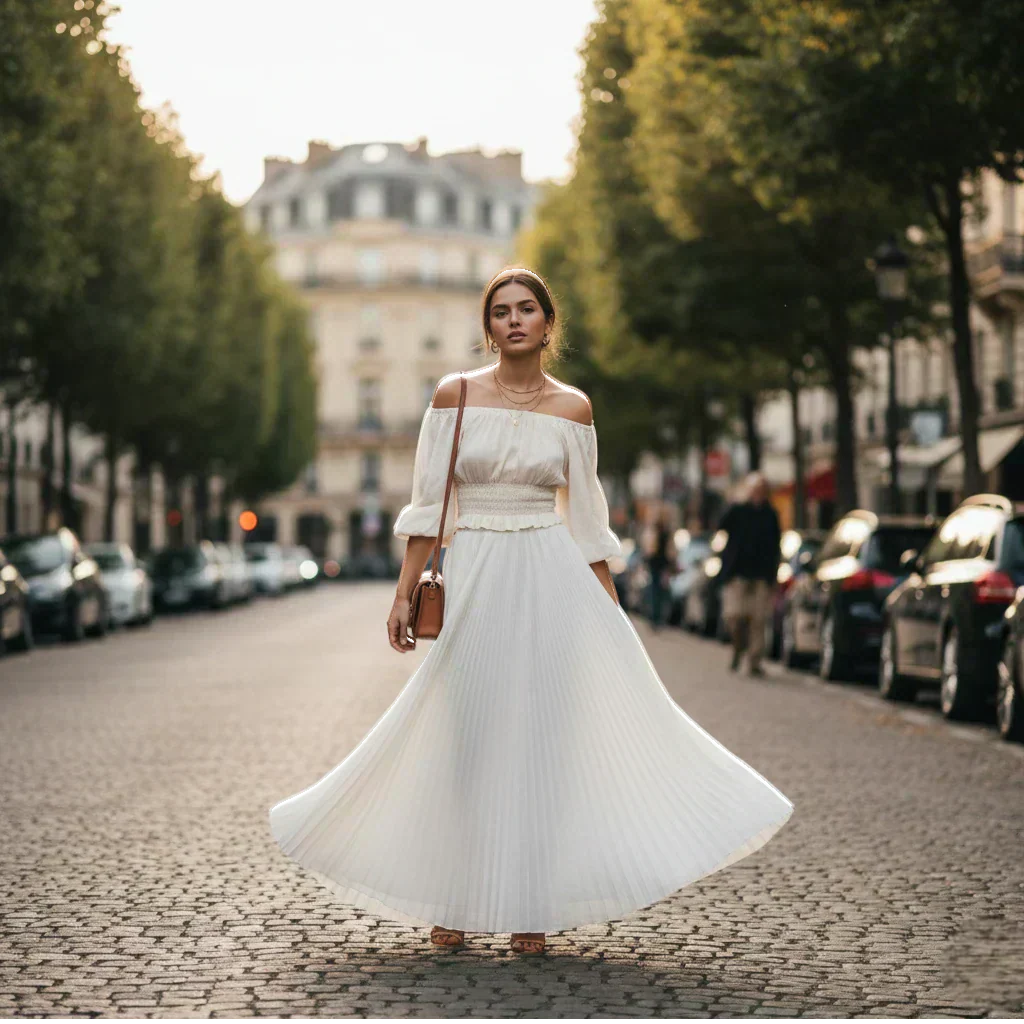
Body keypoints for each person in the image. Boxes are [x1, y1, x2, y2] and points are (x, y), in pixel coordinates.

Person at [268, 265, 793, 957]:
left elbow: (587, 524)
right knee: (466, 738)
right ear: (488, 326)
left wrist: (612, 618)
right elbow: (431, 505)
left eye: (526, 309)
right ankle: (452, 901)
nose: (513, 320)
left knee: (545, 740)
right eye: (500, 311)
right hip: (477, 570)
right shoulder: (452, 395)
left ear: (548, 323)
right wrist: (404, 591)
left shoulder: (574, 408)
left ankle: (530, 911)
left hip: (551, 577)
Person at [717, 472, 782, 677]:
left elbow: (776, 546)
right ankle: (738, 648)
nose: (758, 494)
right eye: (755, 490)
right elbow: (720, 524)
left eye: (762, 490)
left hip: (761, 575)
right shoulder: (737, 510)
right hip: (737, 574)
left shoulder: (771, 514)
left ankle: (754, 661)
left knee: (758, 620)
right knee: (733, 616)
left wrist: (774, 575)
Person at [645, 508, 674, 630]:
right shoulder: (659, 531)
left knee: (658, 591)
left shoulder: (664, 531)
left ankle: (657, 618)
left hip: (660, 564)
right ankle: (656, 618)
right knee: (658, 591)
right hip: (658, 564)